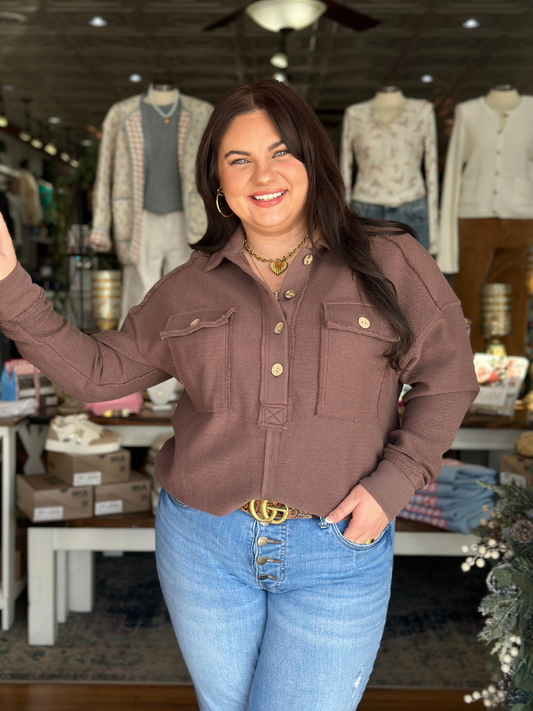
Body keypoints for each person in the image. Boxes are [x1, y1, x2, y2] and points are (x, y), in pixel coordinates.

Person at [0, 79, 479, 710]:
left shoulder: (389, 259)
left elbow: (448, 376)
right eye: (238, 159)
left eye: (282, 152)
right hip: (203, 544)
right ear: (217, 181)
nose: (263, 174)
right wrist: (8, 282)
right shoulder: (187, 287)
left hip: (336, 547)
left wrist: (393, 484)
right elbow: (99, 373)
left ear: (313, 160)